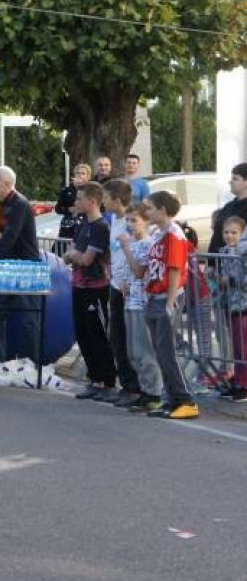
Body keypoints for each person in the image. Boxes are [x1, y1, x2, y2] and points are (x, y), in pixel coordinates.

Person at [121, 191, 198, 419]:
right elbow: (143, 268)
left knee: (166, 352)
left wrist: (171, 301)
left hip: (166, 296)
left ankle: (185, 399)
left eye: (150, 208)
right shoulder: (158, 234)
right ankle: (171, 399)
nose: (147, 212)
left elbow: (175, 268)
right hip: (153, 296)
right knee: (159, 351)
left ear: (163, 210)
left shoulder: (174, 235)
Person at [64, 182, 118, 400]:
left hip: (95, 287)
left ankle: (108, 381)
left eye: (80, 199)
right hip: (78, 285)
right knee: (83, 334)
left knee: (97, 335)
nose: (76, 202)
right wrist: (74, 255)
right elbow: (71, 253)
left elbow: (86, 258)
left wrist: (75, 255)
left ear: (92, 201)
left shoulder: (100, 227)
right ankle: (95, 378)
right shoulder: (83, 225)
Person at [0, 166, 41, 361]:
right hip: (8, 265)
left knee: (28, 319)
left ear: (7, 184)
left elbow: (10, 238)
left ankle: (33, 365)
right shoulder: (4, 203)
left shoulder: (20, 204)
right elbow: (4, 239)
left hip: (26, 267)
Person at [118, 205, 162, 413]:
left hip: (143, 303)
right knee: (133, 351)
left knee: (144, 350)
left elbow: (139, 271)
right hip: (131, 301)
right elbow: (130, 273)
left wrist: (126, 247)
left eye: (134, 220)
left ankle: (154, 393)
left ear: (146, 221)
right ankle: (145, 391)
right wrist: (124, 284)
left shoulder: (146, 244)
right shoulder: (134, 243)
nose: (129, 224)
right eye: (127, 220)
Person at [102, 179, 142, 406]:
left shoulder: (130, 221)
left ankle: (135, 387)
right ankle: (126, 384)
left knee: (129, 338)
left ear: (117, 200)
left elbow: (134, 252)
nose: (103, 202)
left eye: (106, 197)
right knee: (116, 336)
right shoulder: (115, 220)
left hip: (128, 287)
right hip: (116, 284)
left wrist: (127, 280)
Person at [218, 216, 247, 402]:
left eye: (234, 232)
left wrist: (231, 281)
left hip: (243, 304)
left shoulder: (243, 252)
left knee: (243, 346)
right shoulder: (223, 251)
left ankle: (244, 385)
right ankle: (238, 380)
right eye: (226, 232)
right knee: (236, 346)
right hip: (230, 304)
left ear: (242, 233)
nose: (230, 236)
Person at [209, 162, 247, 254]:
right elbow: (216, 237)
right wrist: (211, 264)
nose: (230, 182)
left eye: (235, 179)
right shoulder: (228, 206)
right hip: (221, 264)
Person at [55, 163, 91, 242]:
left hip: (84, 223)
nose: (80, 176)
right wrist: (68, 210)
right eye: (77, 173)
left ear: (88, 177)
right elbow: (57, 209)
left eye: (83, 173)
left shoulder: (91, 191)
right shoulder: (66, 190)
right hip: (68, 226)